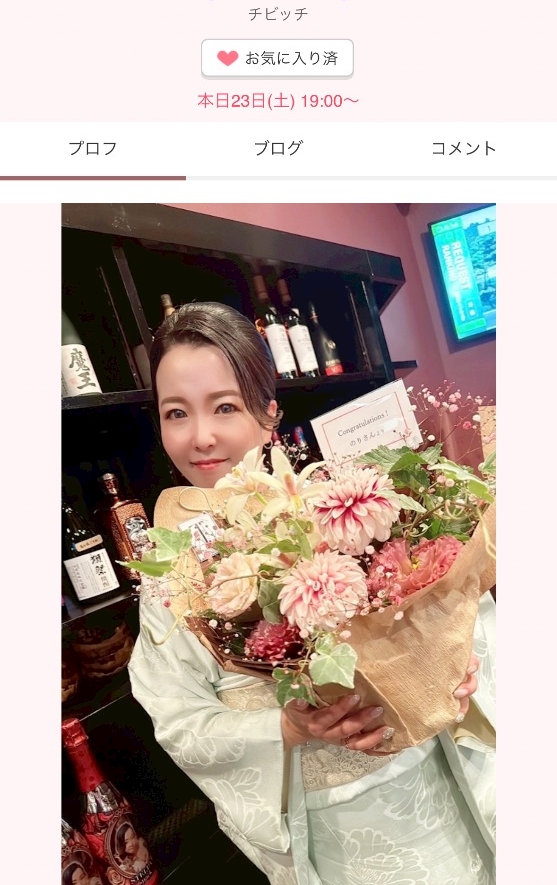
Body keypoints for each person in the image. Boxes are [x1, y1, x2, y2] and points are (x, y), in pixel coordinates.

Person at [128, 301, 496, 885]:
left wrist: (459, 664)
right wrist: (288, 728)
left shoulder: (339, 509)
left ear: (269, 413)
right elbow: (178, 721)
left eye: (225, 406)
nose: (201, 437)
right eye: (177, 413)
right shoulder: (170, 578)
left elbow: (452, 604)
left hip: (433, 775)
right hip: (331, 827)